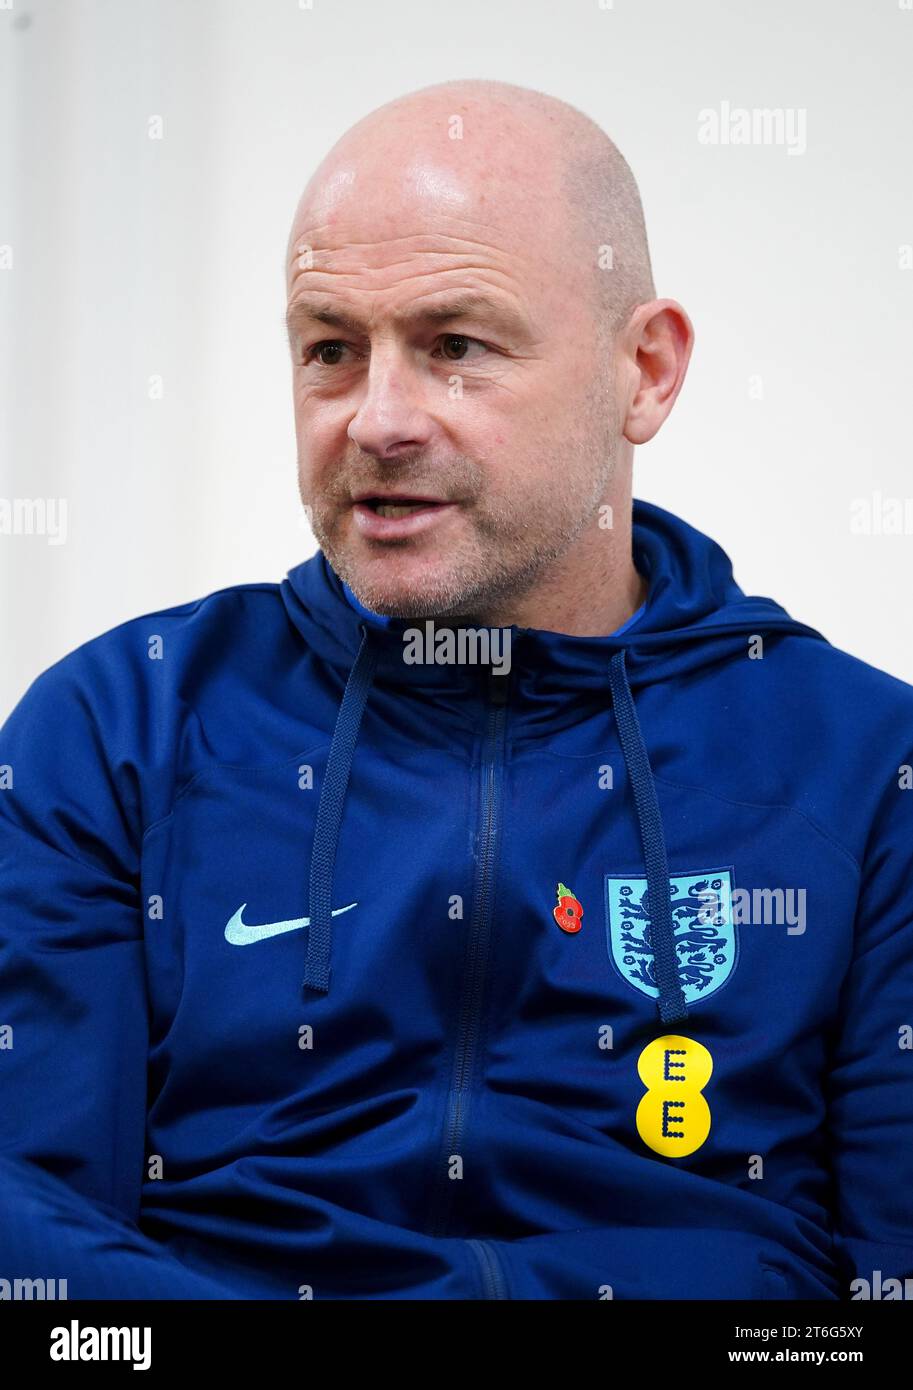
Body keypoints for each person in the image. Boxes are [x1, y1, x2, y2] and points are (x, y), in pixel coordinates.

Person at [1, 77, 911, 1302]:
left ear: (644, 370)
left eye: (455, 348)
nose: (376, 420)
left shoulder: (859, 768)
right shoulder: (122, 726)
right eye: (330, 349)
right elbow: (35, 1242)